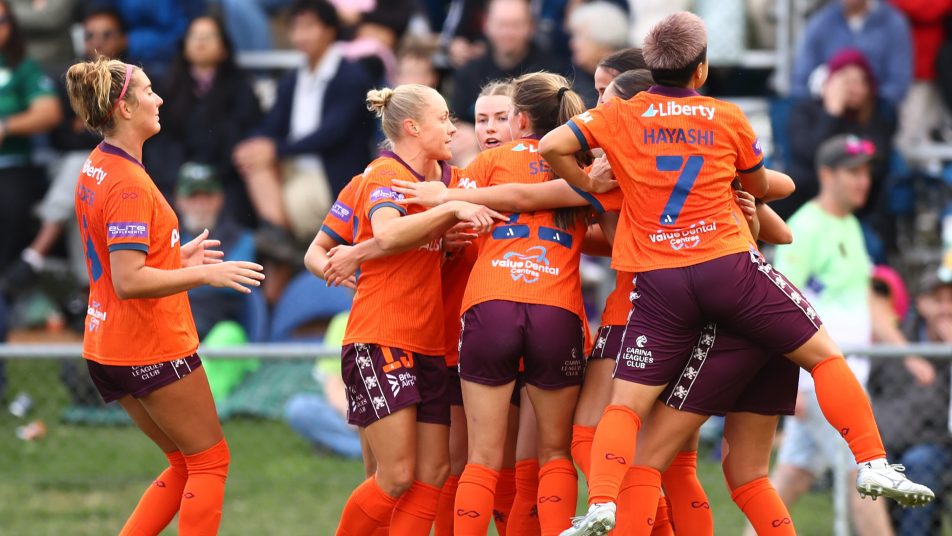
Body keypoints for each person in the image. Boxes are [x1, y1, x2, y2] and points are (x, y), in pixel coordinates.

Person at [539, 12, 933, 536]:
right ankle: (872, 460)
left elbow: (550, 149)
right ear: (700, 71)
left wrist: (591, 183)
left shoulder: (620, 121)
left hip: (662, 283)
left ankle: (603, 502)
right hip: (730, 273)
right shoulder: (727, 118)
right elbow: (767, 196)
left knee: (629, 413)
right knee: (820, 364)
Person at [65, 55, 265, 535]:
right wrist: (203, 277)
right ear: (125, 109)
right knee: (210, 461)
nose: (158, 99)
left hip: (106, 344)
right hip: (148, 342)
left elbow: (123, 262)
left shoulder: (97, 165)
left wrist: (176, 257)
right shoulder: (129, 184)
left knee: (183, 462)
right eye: (149, 92)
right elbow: (129, 279)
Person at [333, 83, 503, 536]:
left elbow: (404, 245)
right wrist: (452, 209)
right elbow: (387, 234)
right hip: (383, 336)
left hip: (427, 343)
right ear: (412, 126)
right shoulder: (385, 173)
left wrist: (446, 231)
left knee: (434, 472)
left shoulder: (437, 183)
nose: (452, 127)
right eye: (443, 118)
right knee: (396, 474)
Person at [762, 135, 929, 536]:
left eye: (866, 172)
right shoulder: (804, 227)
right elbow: (778, 303)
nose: (862, 181)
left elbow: (869, 305)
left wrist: (909, 355)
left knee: (791, 479)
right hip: (824, 383)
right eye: (852, 172)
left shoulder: (851, 226)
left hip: (836, 382)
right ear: (826, 174)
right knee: (868, 477)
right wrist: (795, 386)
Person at [0, 5, 127, 296]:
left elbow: (54, 118)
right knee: (82, 188)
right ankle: (86, 290)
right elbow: (64, 137)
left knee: (83, 174)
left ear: (123, 39)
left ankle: (38, 257)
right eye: (90, 34)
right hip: (79, 168)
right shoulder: (76, 77)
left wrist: (5, 126)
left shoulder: (136, 79)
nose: (98, 41)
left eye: (107, 34)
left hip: (110, 167)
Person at [233, 0, 374, 254]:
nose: (300, 35)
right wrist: (256, 144)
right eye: (295, 28)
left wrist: (276, 149)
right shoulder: (293, 79)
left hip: (331, 176)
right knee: (253, 159)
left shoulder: (351, 76)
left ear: (330, 30)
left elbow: (331, 134)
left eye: (309, 27)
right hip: (294, 167)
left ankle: (288, 242)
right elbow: (272, 124)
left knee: (273, 234)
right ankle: (284, 242)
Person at [150, 14, 262, 226]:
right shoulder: (166, 86)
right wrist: (181, 173)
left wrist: (213, 173)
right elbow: (159, 139)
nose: (200, 41)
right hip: (175, 176)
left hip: (225, 176)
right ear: (184, 46)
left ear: (223, 48)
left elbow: (244, 134)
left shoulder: (240, 87)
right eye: (194, 36)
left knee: (236, 213)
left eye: (209, 36)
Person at [870, 265, 952, 535]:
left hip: (938, 444)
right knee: (874, 465)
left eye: (951, 300)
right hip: (890, 440)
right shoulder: (898, 341)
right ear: (921, 303)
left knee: (920, 462)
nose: (945, 309)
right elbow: (875, 390)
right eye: (937, 300)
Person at [778, 48, 897, 221]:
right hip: (807, 192)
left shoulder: (875, 117)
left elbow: (877, 162)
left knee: (859, 178)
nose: (854, 88)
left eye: (861, 81)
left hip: (856, 203)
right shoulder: (804, 111)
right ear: (829, 82)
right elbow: (808, 155)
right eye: (846, 81)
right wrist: (832, 113)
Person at [0, 0, 61, 296]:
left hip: (12, 161)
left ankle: (6, 289)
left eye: (2, 22)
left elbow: (49, 110)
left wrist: (6, 126)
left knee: (10, 202)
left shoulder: (22, 67)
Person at [450, 0, 567, 124]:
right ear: (486, 24)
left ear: (531, 27)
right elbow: (457, 124)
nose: (508, 33)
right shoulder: (468, 74)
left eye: (516, 25)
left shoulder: (551, 74)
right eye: (501, 24)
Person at [174, 162, 256, 339]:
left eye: (207, 195)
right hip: (174, 325)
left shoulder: (243, 239)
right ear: (179, 200)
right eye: (192, 196)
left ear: (220, 199)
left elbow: (238, 290)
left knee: (226, 335)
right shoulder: (165, 240)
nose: (200, 204)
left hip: (221, 331)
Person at [790, 0, 912, 107]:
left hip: (875, 114)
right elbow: (800, 83)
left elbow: (898, 85)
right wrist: (829, 95)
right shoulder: (819, 23)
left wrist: (864, 98)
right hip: (825, 110)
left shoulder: (893, 23)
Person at [566, 2, 630, 106]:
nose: (572, 44)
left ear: (604, 42)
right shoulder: (574, 80)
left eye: (580, 36)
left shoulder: (633, 80)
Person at [9, 0, 76, 72]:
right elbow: (6, 13)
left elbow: (51, 18)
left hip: (57, 64)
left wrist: (12, 16)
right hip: (18, 64)